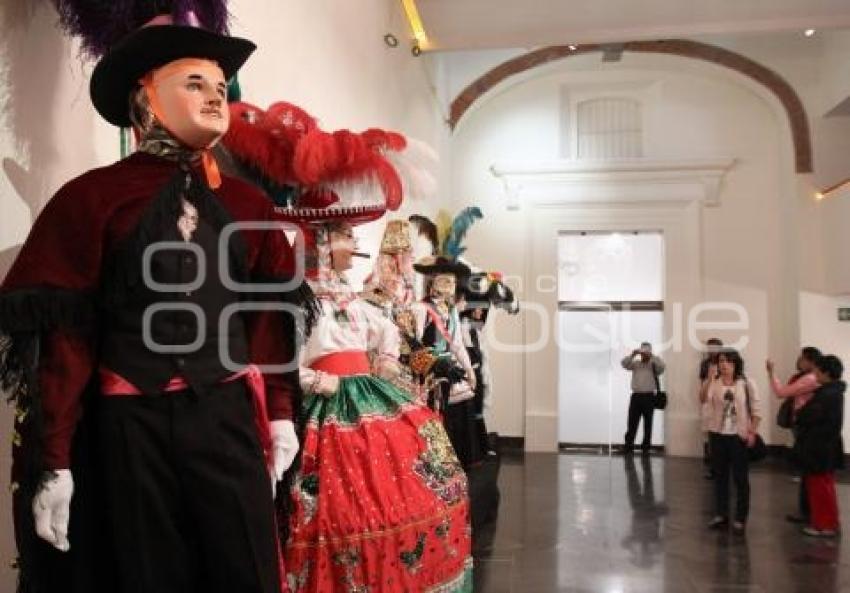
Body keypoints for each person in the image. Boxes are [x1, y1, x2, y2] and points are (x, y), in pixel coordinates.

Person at [0, 8, 307, 593]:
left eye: (221, 87)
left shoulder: (249, 207)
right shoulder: (92, 200)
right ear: (145, 99)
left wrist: (283, 412)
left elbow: (270, 319)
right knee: (145, 570)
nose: (217, 97)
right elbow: (64, 343)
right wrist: (55, 458)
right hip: (130, 426)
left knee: (245, 567)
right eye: (195, 83)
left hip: (226, 419)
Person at [286, 221, 473, 592]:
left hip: (370, 391)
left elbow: (392, 334)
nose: (356, 245)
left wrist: (387, 364)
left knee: (419, 480)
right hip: (327, 400)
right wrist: (321, 380)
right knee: (337, 506)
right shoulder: (301, 298)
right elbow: (282, 358)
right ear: (322, 244)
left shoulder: (353, 297)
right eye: (347, 238)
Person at [700, 349, 762, 534]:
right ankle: (721, 514)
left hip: (739, 436)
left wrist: (752, 432)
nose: (723, 365)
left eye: (727, 361)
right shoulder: (714, 383)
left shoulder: (747, 384)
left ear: (736, 364)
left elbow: (757, 411)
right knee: (720, 477)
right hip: (717, 435)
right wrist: (709, 379)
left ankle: (740, 518)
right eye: (720, 361)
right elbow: (702, 398)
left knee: (741, 479)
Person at [765, 346, 821, 524]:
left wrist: (771, 372)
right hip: (806, 427)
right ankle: (808, 510)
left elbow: (781, 392)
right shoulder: (810, 378)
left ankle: (808, 511)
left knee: (808, 471)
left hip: (806, 427)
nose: (799, 361)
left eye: (802, 358)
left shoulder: (809, 379)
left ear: (810, 361)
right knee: (808, 471)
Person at [793, 354, 845, 538]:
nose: (814, 373)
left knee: (820, 488)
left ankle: (824, 524)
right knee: (825, 486)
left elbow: (808, 416)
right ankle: (828, 522)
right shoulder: (833, 392)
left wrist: (800, 415)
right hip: (824, 448)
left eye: (817, 369)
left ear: (826, 372)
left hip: (819, 448)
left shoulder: (827, 394)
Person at [622, 342, 665, 455]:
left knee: (648, 423)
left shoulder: (653, 364)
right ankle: (628, 446)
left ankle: (646, 448)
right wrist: (632, 354)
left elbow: (662, 368)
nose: (644, 354)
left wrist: (652, 356)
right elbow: (624, 364)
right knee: (631, 422)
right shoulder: (636, 364)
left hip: (649, 396)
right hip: (636, 396)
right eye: (642, 352)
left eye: (646, 352)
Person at [699, 338, 724, 478]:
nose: (712, 351)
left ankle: (722, 464)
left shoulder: (725, 361)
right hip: (708, 401)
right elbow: (702, 381)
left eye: (715, 348)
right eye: (710, 348)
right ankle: (710, 462)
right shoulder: (705, 364)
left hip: (721, 401)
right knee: (708, 432)